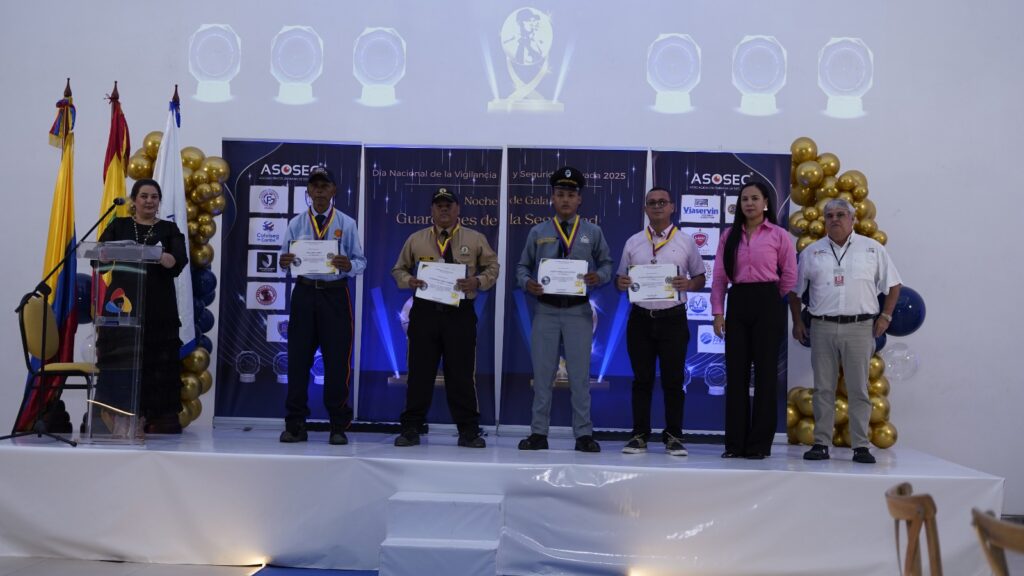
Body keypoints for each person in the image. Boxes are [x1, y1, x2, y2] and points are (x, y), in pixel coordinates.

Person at [789, 199, 901, 464]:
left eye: (841, 215)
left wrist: (886, 316)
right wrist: (797, 322)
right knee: (823, 388)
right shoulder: (812, 252)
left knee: (858, 388)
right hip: (822, 327)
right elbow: (794, 292)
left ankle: (860, 445)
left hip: (860, 327)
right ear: (824, 221)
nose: (835, 219)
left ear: (852, 219)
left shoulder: (872, 249)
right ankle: (821, 443)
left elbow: (894, 285)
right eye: (829, 216)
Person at [391, 187, 500, 448]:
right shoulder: (416, 239)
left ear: (457, 209)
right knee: (419, 372)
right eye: (438, 205)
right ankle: (411, 428)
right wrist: (409, 280)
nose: (443, 209)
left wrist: (477, 281)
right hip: (425, 313)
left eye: (448, 205)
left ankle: (468, 430)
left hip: (459, 314)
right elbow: (398, 269)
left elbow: (493, 267)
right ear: (431, 209)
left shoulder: (474, 238)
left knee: (461, 374)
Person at [515, 166, 613, 453]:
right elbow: (522, 267)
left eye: (571, 195)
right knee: (543, 375)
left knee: (579, 376)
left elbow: (607, 264)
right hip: (546, 311)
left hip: (578, 312)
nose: (565, 200)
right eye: (560, 194)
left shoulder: (592, 231)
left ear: (579, 199)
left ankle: (583, 434)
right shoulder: (538, 231)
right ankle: (538, 433)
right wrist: (527, 283)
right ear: (552, 198)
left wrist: (599, 277)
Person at [278, 166, 366, 445]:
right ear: (308, 191)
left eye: (324, 186)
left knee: (337, 362)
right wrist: (284, 262)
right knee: (298, 361)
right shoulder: (296, 223)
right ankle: (295, 425)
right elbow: (283, 260)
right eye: (314, 186)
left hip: (335, 295)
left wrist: (349, 265)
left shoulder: (347, 223)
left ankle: (338, 425)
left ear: (333, 190)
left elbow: (361, 262)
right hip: (304, 294)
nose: (319, 191)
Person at [616, 187, 706, 456]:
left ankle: (674, 436)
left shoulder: (686, 241)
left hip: (673, 319)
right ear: (645, 208)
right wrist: (621, 283)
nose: (657, 206)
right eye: (652, 202)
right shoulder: (633, 242)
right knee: (641, 380)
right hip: (641, 319)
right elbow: (620, 279)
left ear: (672, 207)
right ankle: (639, 435)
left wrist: (689, 284)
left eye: (662, 202)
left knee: (673, 381)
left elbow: (700, 277)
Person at [96, 178, 189, 435]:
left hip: (158, 308)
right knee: (120, 361)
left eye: (154, 197)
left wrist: (159, 255)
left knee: (152, 364)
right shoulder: (119, 225)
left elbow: (178, 261)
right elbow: (99, 260)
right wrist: (105, 254)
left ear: (159, 202)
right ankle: (118, 416)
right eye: (144, 196)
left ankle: (143, 418)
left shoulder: (169, 229)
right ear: (134, 200)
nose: (149, 201)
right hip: (122, 305)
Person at [711, 181, 797, 459]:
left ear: (766, 203)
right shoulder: (729, 236)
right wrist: (718, 312)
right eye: (745, 199)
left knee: (765, 375)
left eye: (755, 198)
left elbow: (790, 275)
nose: (749, 203)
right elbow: (719, 277)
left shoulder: (779, 235)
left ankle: (759, 445)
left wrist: (771, 298)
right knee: (736, 375)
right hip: (738, 301)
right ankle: (735, 444)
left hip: (768, 302)